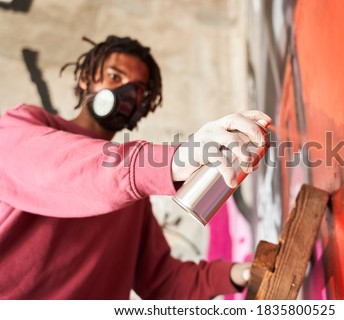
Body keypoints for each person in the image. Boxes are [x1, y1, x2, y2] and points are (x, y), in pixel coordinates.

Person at [0, 35, 271, 299]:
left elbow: (163, 282)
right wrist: (176, 160)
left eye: (138, 89)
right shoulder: (20, 126)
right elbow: (66, 169)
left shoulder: (133, 201)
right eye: (115, 77)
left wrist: (239, 273)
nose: (126, 93)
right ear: (85, 79)